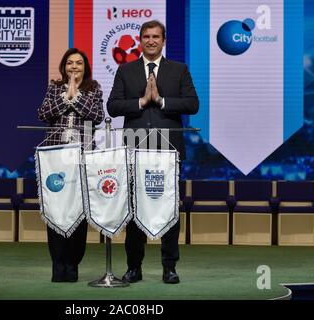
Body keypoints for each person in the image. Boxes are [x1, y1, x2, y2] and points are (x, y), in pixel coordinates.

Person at [107, 20, 199, 284]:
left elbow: (193, 104)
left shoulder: (178, 70)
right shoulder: (126, 71)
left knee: (169, 209)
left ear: (164, 40)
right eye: (146, 36)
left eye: (155, 36)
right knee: (135, 211)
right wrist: (141, 102)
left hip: (168, 152)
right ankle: (134, 267)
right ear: (139, 40)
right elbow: (113, 106)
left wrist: (160, 101)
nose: (150, 41)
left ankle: (169, 267)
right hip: (135, 150)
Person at [38, 48, 105, 282]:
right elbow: (44, 113)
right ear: (63, 66)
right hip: (55, 158)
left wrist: (75, 96)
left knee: (78, 211)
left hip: (82, 157)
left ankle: (73, 264)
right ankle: (58, 265)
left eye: (78, 63)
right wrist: (65, 96)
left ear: (85, 67)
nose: (74, 67)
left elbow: (97, 115)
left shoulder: (94, 89)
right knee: (56, 210)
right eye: (69, 63)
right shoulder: (54, 87)